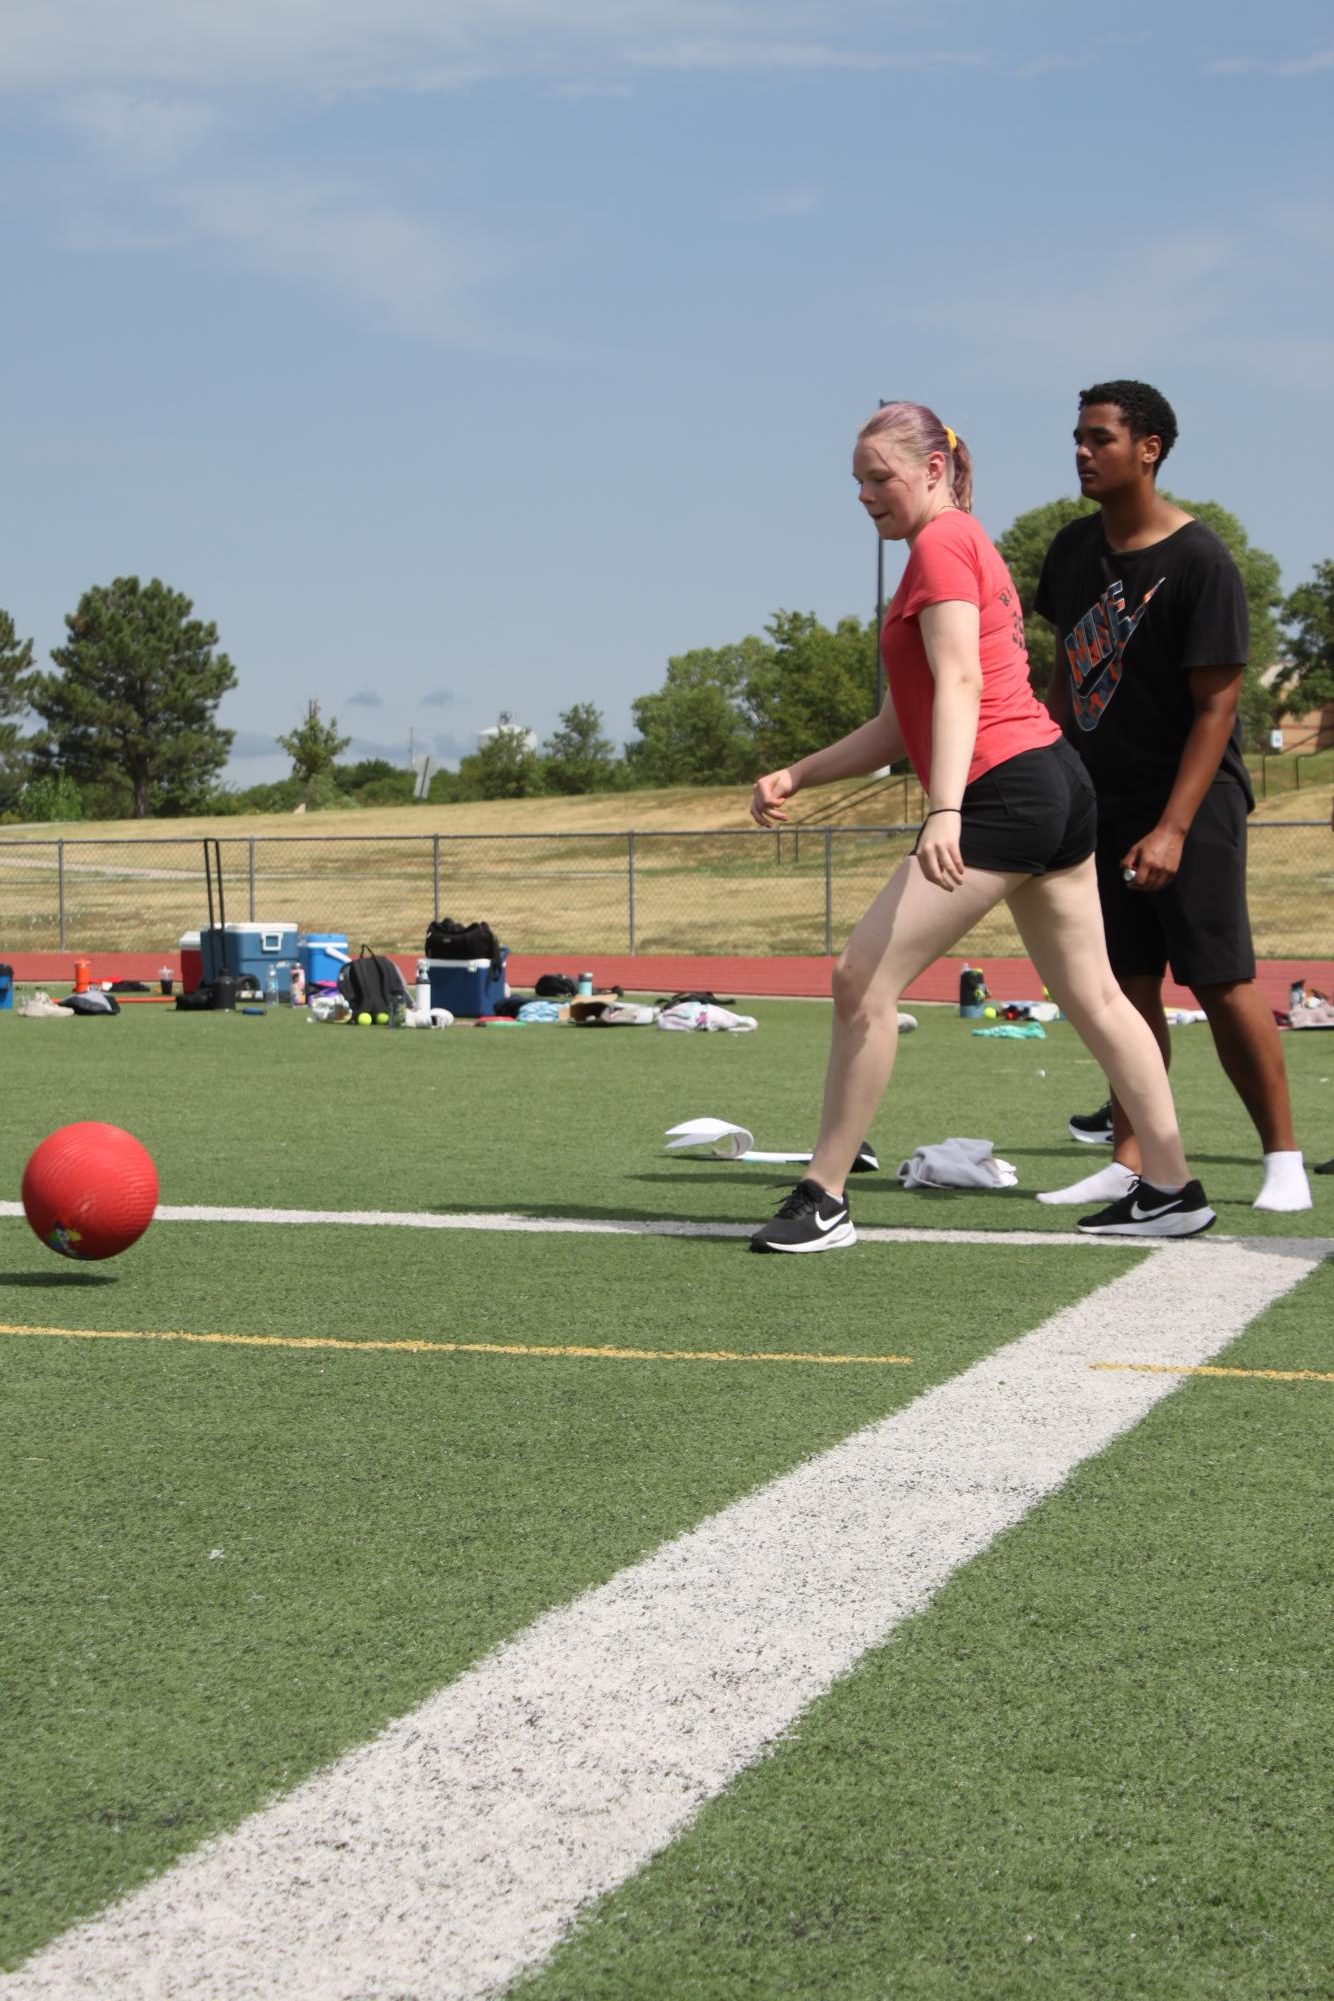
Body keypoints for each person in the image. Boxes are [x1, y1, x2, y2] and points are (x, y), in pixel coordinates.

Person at [747, 399, 1214, 1252]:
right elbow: (903, 722)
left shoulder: (942, 541)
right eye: (855, 482)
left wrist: (945, 808)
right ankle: (1174, 1187)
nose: (864, 495)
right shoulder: (955, 545)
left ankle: (824, 1194)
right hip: (1051, 782)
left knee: (861, 979)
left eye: (878, 477)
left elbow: (959, 684)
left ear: (932, 470)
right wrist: (799, 773)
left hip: (1006, 789)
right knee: (1099, 997)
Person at [1035, 381, 1311, 1214]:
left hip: (1193, 801)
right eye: (1077, 438)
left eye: (1100, 438)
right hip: (1099, 797)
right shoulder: (1073, 550)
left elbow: (1217, 706)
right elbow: (1060, 676)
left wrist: (1174, 829)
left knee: (1221, 980)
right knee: (1123, 987)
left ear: (1148, 447)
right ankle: (1135, 1162)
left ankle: (1283, 1158)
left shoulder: (1200, 560)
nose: (1082, 452)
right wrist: (1048, 768)